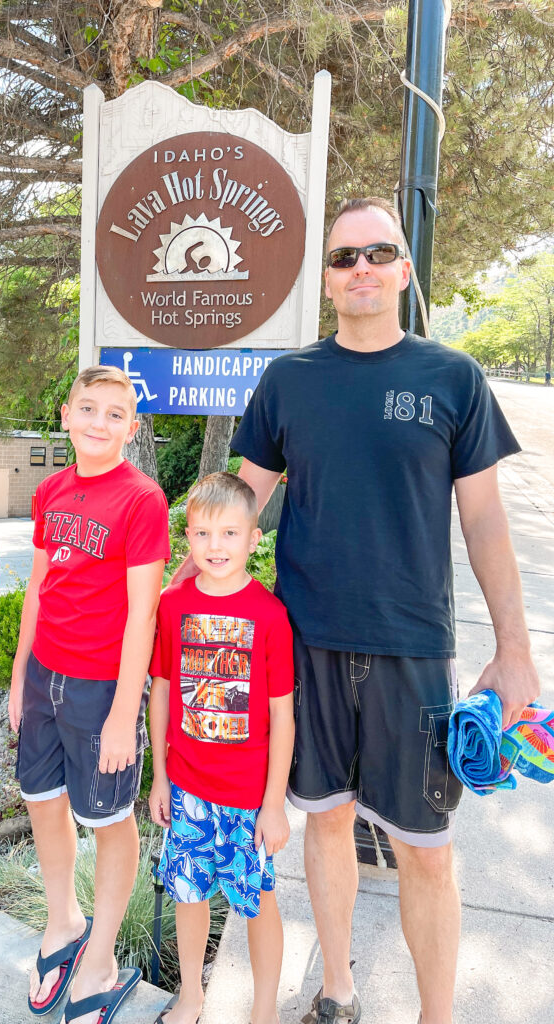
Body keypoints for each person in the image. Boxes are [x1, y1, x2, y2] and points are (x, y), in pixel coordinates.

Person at [230, 197, 540, 1024]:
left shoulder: (453, 379)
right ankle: (337, 989)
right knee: (325, 825)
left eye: (377, 253)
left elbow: (483, 522)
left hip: (413, 650)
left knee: (426, 853)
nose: (360, 267)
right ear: (327, 281)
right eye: (343, 258)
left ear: (405, 271)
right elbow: (235, 503)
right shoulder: (289, 381)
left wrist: (515, 649)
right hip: (306, 648)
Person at [9, 365, 170, 1024]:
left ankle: (101, 957)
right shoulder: (50, 490)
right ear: (67, 415)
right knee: (42, 801)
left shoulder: (141, 499)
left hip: (101, 687)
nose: (99, 422)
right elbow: (39, 590)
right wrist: (20, 674)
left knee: (109, 820)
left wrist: (120, 713)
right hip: (44, 676)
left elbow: (143, 616)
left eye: (114, 413)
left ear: (131, 430)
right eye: (88, 408)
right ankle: (65, 923)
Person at [150, 472, 295, 1024]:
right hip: (187, 789)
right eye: (204, 534)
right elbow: (160, 692)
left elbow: (283, 715)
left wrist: (275, 803)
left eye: (230, 534)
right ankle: (191, 996)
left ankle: (264, 1011)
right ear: (188, 537)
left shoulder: (270, 616)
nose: (216, 546)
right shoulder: (172, 604)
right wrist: (160, 777)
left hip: (248, 799)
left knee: (257, 904)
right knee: (189, 895)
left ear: (254, 539)